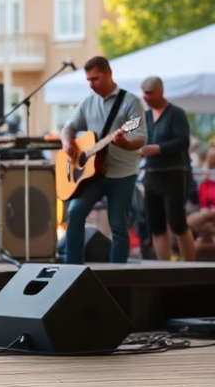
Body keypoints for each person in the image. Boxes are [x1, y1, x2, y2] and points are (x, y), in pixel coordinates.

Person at [60, 55, 145, 264]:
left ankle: (117, 276)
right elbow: (68, 127)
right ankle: (72, 270)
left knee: (118, 225)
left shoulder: (131, 102)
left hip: (122, 174)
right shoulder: (89, 101)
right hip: (92, 174)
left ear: (108, 74)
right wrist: (67, 142)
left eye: (95, 79)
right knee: (75, 213)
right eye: (88, 79)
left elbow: (140, 137)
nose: (91, 84)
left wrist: (124, 143)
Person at [137, 76, 195, 261]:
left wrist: (158, 148)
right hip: (152, 175)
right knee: (156, 225)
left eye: (149, 93)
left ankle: (189, 265)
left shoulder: (176, 113)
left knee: (177, 222)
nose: (145, 97)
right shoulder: (145, 117)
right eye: (144, 94)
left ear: (160, 92)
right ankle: (163, 266)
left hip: (174, 174)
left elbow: (183, 141)